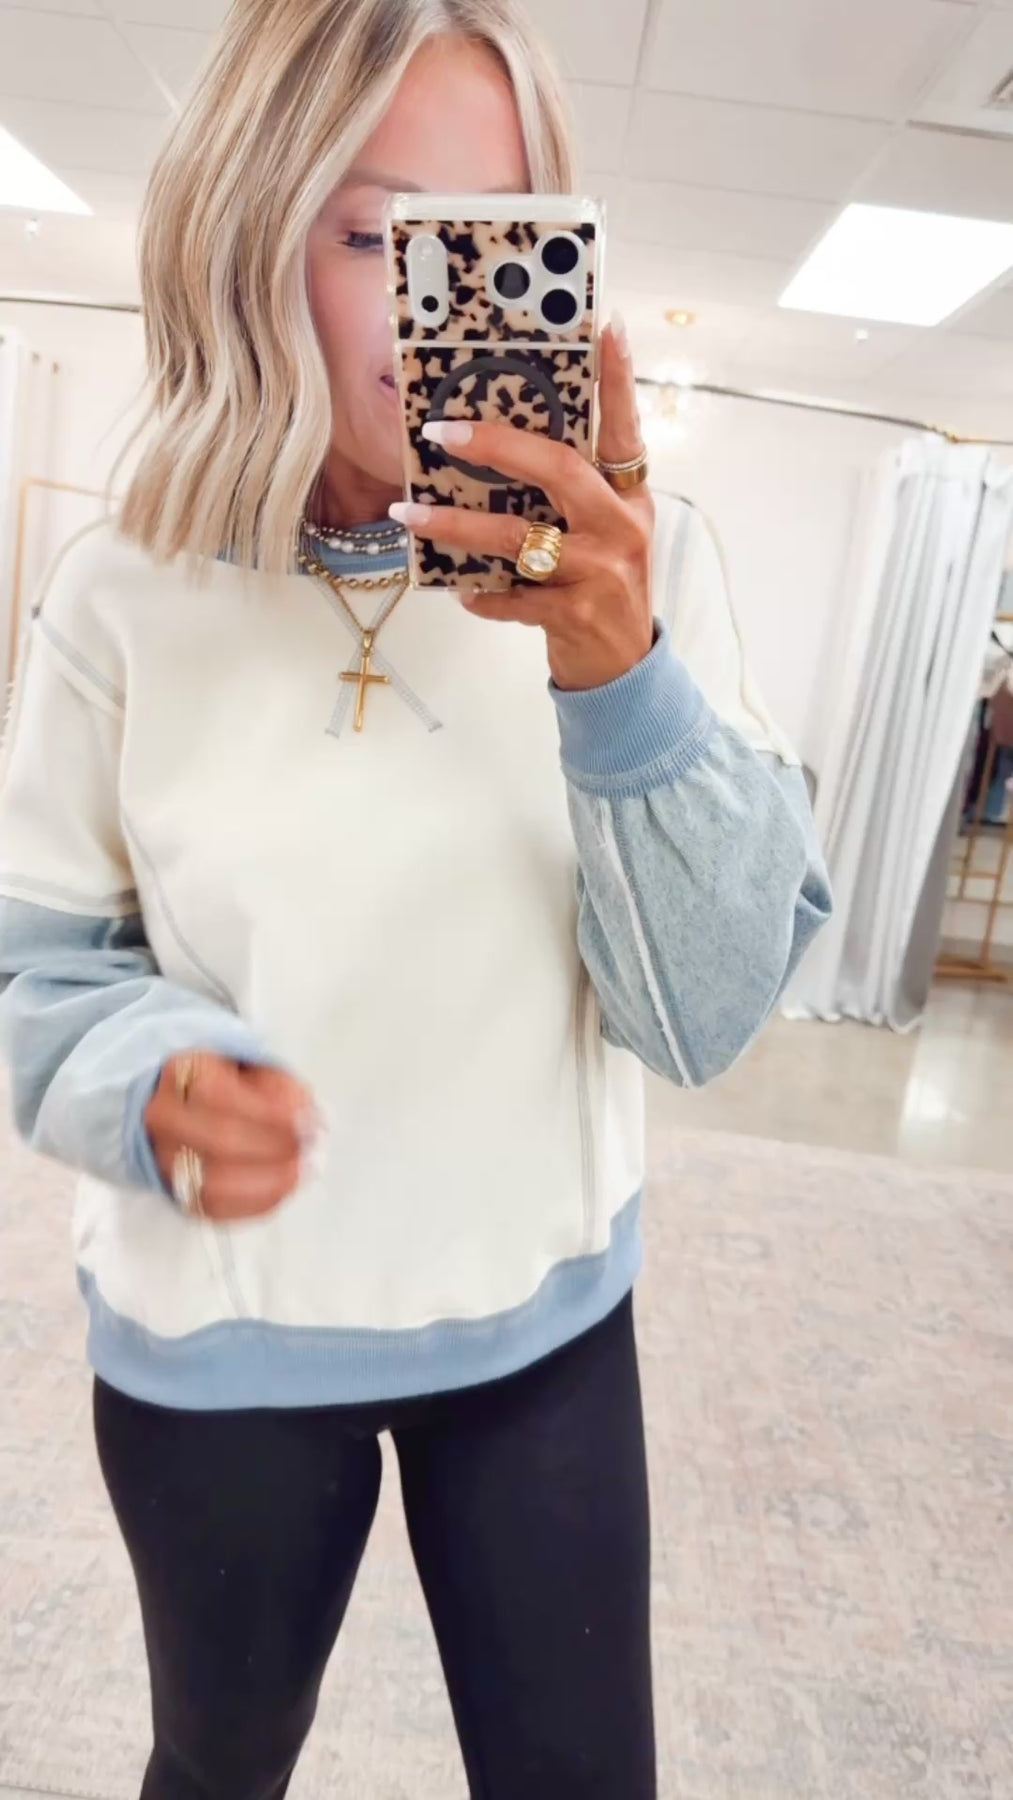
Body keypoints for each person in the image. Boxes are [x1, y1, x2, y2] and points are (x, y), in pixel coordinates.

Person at [0, 1, 832, 1794]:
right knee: (219, 1762)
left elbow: (705, 1015)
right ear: (247, 234)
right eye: (375, 234)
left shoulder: (646, 565)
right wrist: (142, 1075)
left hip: (538, 1314)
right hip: (221, 1329)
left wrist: (621, 678)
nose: (435, 306)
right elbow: (32, 963)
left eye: (495, 239)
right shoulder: (122, 588)